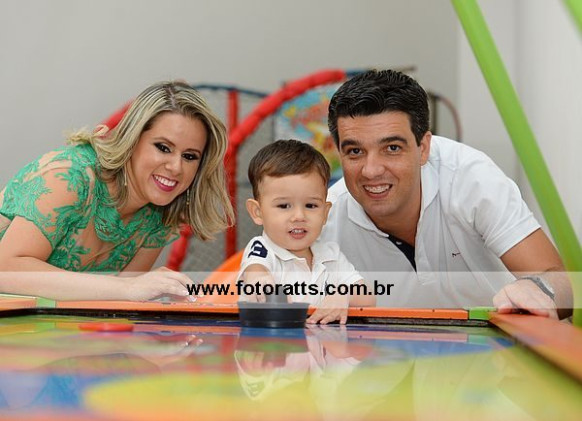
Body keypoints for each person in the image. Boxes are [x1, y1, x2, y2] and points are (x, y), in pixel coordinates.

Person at [320, 69, 572, 319]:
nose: (371, 170)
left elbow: (564, 284)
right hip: (387, 345)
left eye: (392, 148)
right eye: (355, 152)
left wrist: (538, 289)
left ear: (423, 148)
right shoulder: (324, 219)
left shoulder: (471, 179)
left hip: (498, 341)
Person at [0, 81, 233, 301]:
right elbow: (5, 271)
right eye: (163, 148)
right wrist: (129, 287)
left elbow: (118, 302)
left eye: (190, 156)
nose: (176, 167)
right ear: (132, 140)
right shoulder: (71, 176)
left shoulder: (159, 215)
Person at [239, 139, 375, 324]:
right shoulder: (262, 249)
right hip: (273, 339)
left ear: (325, 213)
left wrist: (343, 296)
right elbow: (256, 274)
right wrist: (263, 285)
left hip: (320, 340)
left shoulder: (330, 254)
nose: (299, 216)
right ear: (257, 212)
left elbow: (367, 296)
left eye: (311, 205)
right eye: (284, 206)